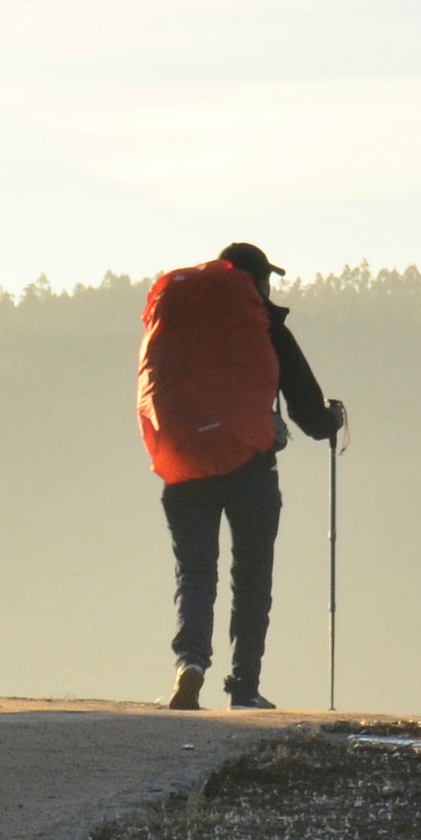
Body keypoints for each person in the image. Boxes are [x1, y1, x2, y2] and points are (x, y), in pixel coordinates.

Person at [138, 241, 343, 711]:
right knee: (251, 577)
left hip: (184, 464)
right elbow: (306, 406)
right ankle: (244, 686)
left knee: (195, 574)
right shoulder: (262, 322)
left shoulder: (178, 321)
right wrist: (330, 422)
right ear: (257, 281)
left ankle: (190, 664)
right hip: (250, 468)